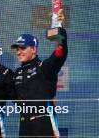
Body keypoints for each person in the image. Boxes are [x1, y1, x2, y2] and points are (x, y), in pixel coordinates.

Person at [10, 9, 68, 137]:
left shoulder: (44, 67)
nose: (19, 52)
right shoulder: (16, 73)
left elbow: (60, 54)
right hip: (24, 125)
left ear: (34, 49)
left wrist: (58, 27)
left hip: (44, 124)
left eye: (23, 48)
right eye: (17, 49)